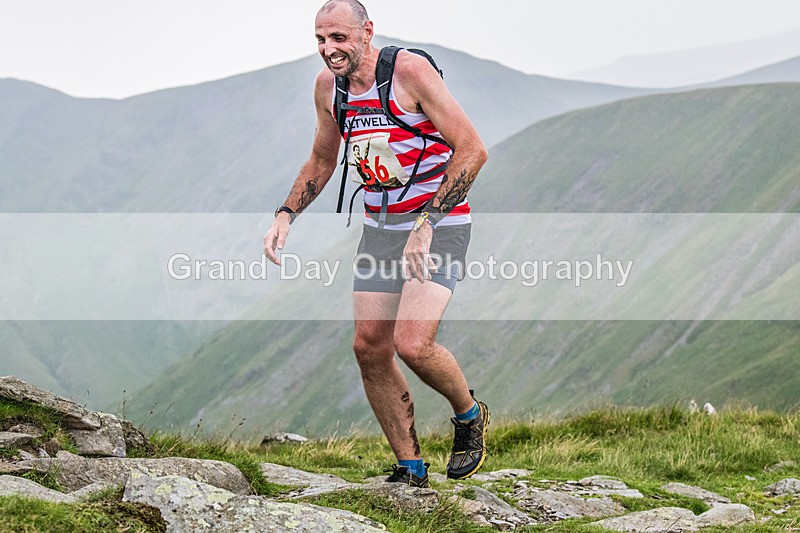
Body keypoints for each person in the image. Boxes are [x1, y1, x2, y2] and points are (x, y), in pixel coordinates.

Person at [264, 0, 489, 488]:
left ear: (367, 31)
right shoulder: (330, 88)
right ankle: (410, 467)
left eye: (339, 38)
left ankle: (468, 414)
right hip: (382, 230)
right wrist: (286, 214)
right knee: (369, 346)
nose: (329, 50)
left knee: (412, 342)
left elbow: (473, 150)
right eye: (321, 40)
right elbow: (323, 158)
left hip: (439, 224)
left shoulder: (409, 72)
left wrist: (427, 223)